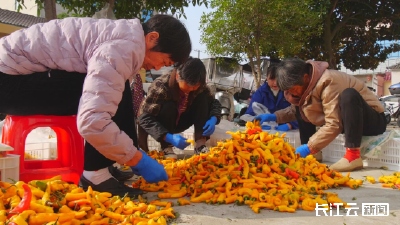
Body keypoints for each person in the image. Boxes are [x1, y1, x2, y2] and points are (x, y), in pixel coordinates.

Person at [0, 14, 191, 197]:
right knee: (102, 91)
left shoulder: (124, 39)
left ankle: (106, 163)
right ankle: (95, 174)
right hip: (9, 82)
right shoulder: (121, 48)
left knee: (113, 86)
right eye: (164, 61)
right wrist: (137, 159)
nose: (158, 68)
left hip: (17, 74)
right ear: (152, 38)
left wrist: (131, 153)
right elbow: (92, 120)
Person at [255, 58, 386, 172]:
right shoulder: (308, 85)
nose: (291, 93)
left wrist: (308, 147)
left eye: (293, 89)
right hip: (348, 122)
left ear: (305, 78)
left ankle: (353, 156)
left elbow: (334, 123)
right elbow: (295, 110)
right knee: (302, 105)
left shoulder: (329, 81)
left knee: (349, 95)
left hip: (371, 121)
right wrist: (275, 117)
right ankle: (314, 154)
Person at [137, 57, 222, 158]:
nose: (191, 89)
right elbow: (144, 117)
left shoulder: (201, 87)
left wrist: (214, 118)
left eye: (195, 87)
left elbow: (214, 103)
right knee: (169, 106)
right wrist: (167, 137)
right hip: (164, 123)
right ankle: (166, 147)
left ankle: (200, 145)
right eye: (188, 85)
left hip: (183, 120)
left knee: (203, 98)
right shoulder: (161, 85)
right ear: (178, 76)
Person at [244, 65, 298, 131]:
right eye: (272, 79)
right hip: (266, 130)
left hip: (290, 130)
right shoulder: (260, 92)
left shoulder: (290, 91)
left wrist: (290, 125)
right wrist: (256, 124)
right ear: (267, 78)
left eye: (278, 79)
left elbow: (299, 112)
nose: (275, 83)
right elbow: (250, 113)